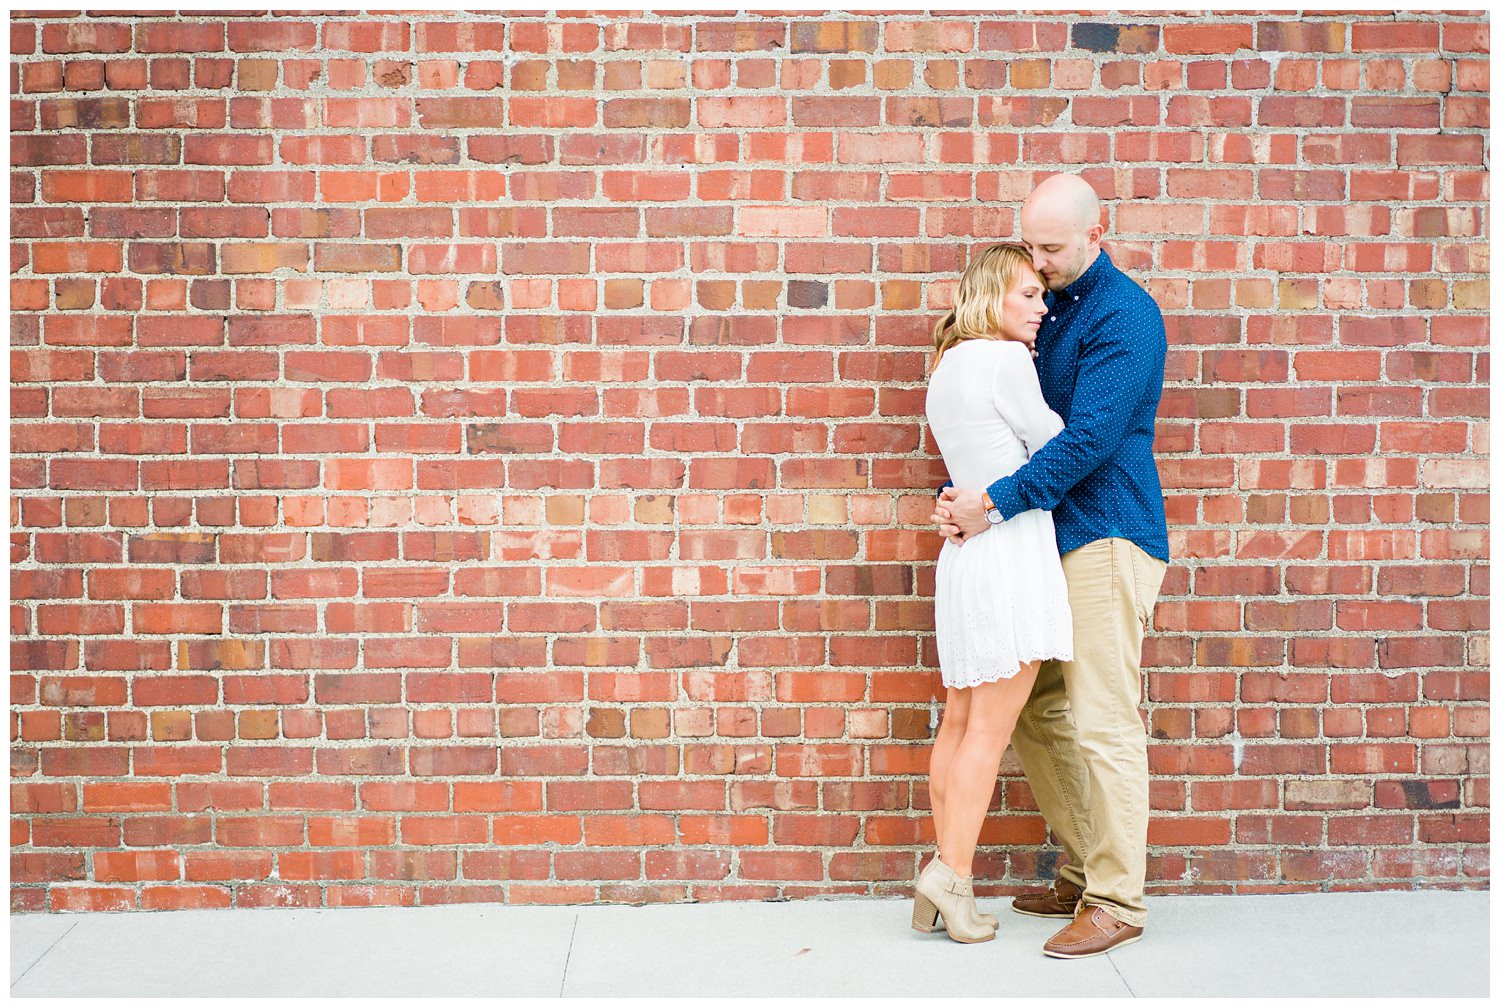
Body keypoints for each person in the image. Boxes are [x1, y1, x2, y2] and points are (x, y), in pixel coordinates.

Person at [933, 173, 1170, 959]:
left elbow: (1087, 441)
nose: (1038, 262)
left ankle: (1117, 899)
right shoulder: (1052, 303)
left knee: (1103, 717)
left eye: (1052, 248)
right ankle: (1082, 863)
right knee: (1036, 708)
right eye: (1029, 246)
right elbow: (1006, 429)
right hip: (1045, 540)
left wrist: (991, 502)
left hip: (1106, 533)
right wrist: (965, 490)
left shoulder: (1124, 315)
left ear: (1097, 234)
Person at [913, 243, 1075, 944]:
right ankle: (953, 878)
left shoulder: (947, 365)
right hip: (1009, 550)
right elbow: (1058, 443)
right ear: (991, 297)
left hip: (965, 555)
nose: (1042, 308)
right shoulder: (1007, 361)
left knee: (957, 723)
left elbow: (967, 456)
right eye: (1028, 295)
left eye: (1041, 295)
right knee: (987, 730)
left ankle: (938, 876)